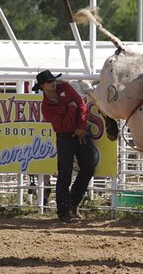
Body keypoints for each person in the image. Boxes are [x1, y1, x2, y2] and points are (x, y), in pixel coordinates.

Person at [32, 70, 98, 223]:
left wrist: (81, 125)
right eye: (50, 82)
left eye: (53, 80)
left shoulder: (65, 88)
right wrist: (72, 109)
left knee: (89, 165)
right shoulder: (46, 107)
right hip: (65, 137)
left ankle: (72, 203)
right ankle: (64, 211)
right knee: (65, 173)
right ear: (42, 86)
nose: (53, 83)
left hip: (77, 133)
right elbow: (65, 125)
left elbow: (81, 105)